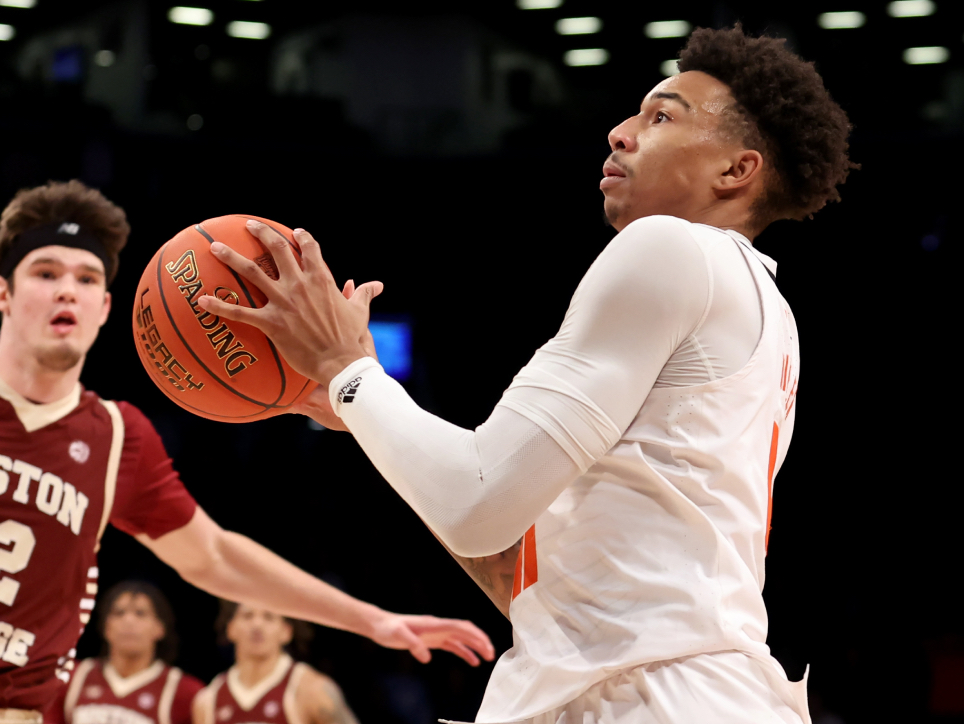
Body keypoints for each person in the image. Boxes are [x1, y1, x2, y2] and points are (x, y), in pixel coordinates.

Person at [195, 25, 856, 724]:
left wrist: (347, 368)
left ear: (736, 170)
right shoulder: (765, 312)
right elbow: (537, 589)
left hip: (655, 699)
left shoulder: (671, 249)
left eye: (662, 117)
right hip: (674, 690)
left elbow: (476, 504)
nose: (621, 132)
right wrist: (365, 410)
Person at [0, 180, 494, 724]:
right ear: (1, 293)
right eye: (45, 272)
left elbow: (213, 557)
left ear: (106, 308)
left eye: (86, 278)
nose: (67, 289)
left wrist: (373, 621)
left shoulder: (118, 436)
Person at [60, 581, 201, 724]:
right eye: (119, 613)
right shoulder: (71, 677)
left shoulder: (185, 692)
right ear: (106, 627)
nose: (128, 621)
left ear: (160, 628)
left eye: (140, 613)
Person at [193, 602, 356, 724]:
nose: (257, 625)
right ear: (231, 628)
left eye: (269, 617)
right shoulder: (207, 700)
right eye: (247, 616)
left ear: (286, 631)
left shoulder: (312, 690)